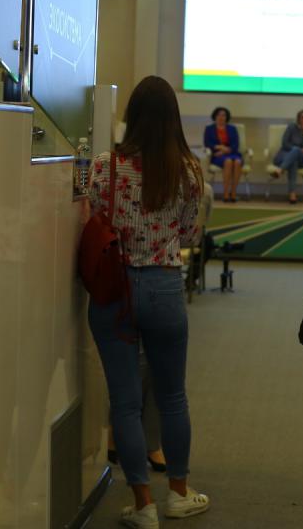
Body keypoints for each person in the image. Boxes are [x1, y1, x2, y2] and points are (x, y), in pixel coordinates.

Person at [88, 76, 210, 529]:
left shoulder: (106, 167)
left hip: (113, 291)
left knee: (124, 403)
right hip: (163, 287)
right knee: (172, 397)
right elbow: (189, 236)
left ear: (132, 116)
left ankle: (143, 505)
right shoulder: (188, 171)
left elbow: (94, 220)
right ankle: (178, 493)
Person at [271, 109, 303, 204]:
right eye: (302, 118)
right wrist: (297, 149)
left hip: (301, 159)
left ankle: (280, 170)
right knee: (293, 161)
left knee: (296, 151)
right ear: (298, 119)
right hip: (284, 155)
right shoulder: (291, 127)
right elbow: (284, 143)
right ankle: (292, 194)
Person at [203, 106, 242, 202]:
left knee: (237, 162)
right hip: (217, 155)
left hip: (232, 153)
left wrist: (225, 150)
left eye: (223, 115)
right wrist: (219, 147)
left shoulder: (232, 128)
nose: (221, 117)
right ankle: (225, 194)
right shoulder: (209, 129)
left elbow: (236, 144)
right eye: (219, 115)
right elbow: (207, 144)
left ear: (226, 117)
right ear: (215, 116)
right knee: (228, 161)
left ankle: (233, 193)